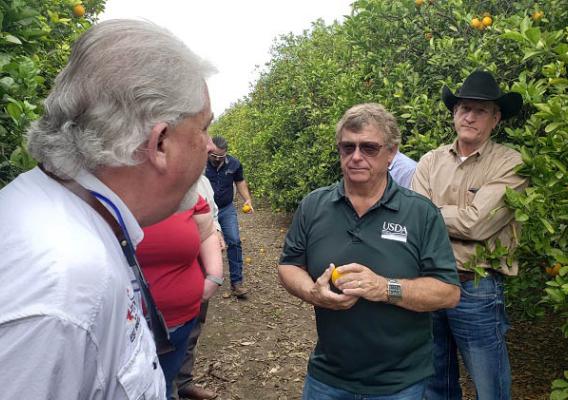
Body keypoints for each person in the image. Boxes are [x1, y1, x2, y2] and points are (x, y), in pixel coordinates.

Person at [0, 19, 216, 399]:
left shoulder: (66, 211)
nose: (210, 145)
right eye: (203, 128)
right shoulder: (63, 290)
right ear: (160, 142)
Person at [278, 103, 460, 399]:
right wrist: (313, 292)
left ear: (391, 153)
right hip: (328, 376)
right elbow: (288, 265)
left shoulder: (420, 213)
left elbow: (448, 292)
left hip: (399, 383)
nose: (356, 157)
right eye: (347, 147)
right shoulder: (314, 206)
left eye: (369, 148)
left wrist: (384, 287)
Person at [411, 70, 527, 400]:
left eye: (480, 110)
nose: (470, 117)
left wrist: (432, 213)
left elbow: (478, 224)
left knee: (489, 385)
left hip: (476, 286)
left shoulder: (511, 164)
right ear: (454, 113)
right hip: (429, 282)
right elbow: (415, 221)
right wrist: (442, 217)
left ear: (496, 118)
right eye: (464, 108)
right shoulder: (431, 161)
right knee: (435, 382)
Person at [137, 184, 223, 400]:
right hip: (129, 326)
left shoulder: (184, 192)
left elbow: (207, 232)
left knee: (164, 383)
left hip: (180, 322)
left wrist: (213, 276)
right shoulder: (111, 192)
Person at [174, 175, 222, 400]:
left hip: (198, 263)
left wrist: (218, 232)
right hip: (170, 265)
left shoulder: (202, 182)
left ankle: (183, 381)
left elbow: (212, 214)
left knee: (193, 323)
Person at [206, 135, 253, 298]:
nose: (217, 159)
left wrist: (247, 199)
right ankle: (201, 283)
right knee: (201, 243)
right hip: (204, 210)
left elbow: (240, 182)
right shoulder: (199, 163)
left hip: (226, 209)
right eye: (214, 156)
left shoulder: (234, 163)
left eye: (221, 156)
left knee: (234, 241)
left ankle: (237, 283)